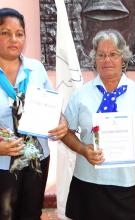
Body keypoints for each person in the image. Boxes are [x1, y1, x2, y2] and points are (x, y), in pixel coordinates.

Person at [61, 29, 135, 220]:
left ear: (123, 58)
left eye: (113, 54)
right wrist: (83, 149)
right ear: (95, 59)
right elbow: (65, 131)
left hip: (128, 185)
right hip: (88, 184)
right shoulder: (81, 96)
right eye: (101, 55)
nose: (107, 60)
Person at [0, 8, 67, 220]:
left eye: (19, 33)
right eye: (5, 33)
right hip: (2, 163)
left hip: (37, 161)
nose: (14, 39)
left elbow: (52, 106)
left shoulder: (35, 69)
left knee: (31, 214)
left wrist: (61, 122)